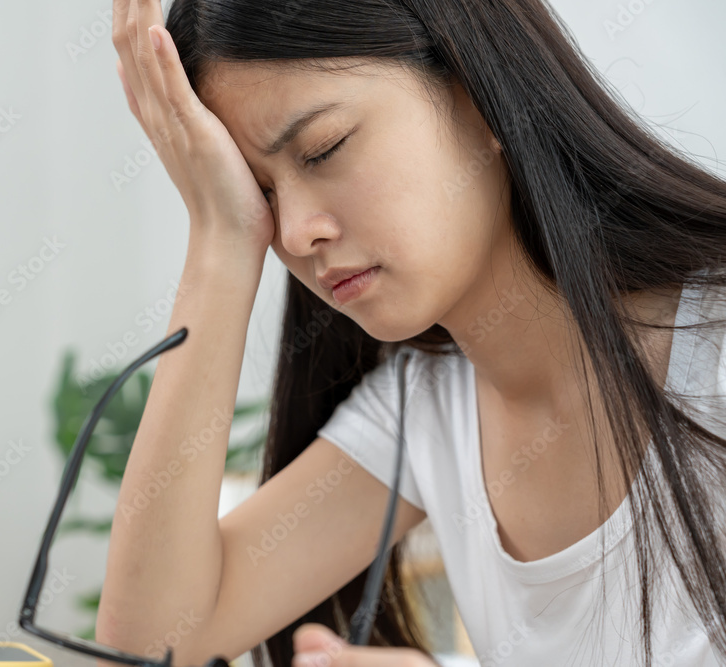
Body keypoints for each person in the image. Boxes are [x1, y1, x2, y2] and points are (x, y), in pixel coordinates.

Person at [97, 1, 726, 665]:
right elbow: (154, 641)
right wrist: (222, 237)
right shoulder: (423, 412)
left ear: (480, 98)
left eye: (323, 149)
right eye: (260, 194)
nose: (295, 233)